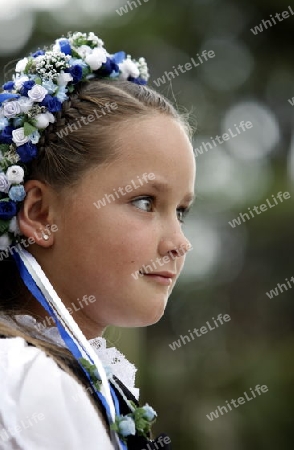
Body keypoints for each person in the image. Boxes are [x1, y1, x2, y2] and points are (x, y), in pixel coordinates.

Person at [0, 31, 196, 450]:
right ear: (38, 213)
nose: (180, 242)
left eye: (181, 211)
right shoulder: (30, 382)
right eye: (145, 202)